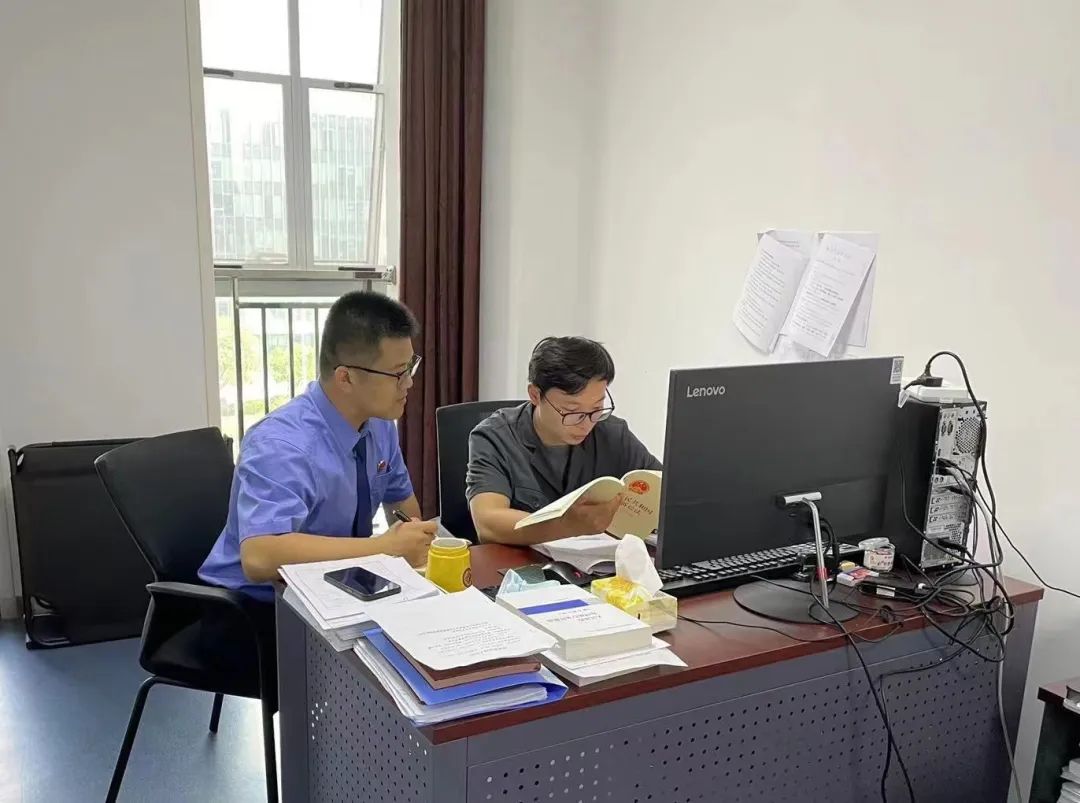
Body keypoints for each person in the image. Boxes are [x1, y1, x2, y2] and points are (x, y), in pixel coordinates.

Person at [198, 291, 436, 664]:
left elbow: (403, 506)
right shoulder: (281, 445)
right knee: (385, 665)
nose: (408, 384)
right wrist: (384, 547)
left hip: (335, 590)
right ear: (346, 377)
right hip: (253, 609)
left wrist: (414, 544)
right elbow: (260, 557)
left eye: (411, 367)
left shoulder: (379, 426)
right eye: (397, 373)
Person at [466, 336, 661, 545]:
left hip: (598, 562)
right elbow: (488, 523)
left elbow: (667, 491)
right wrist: (567, 525)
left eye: (597, 408)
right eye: (572, 411)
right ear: (535, 395)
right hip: (521, 562)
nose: (586, 424)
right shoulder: (495, 437)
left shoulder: (612, 433)